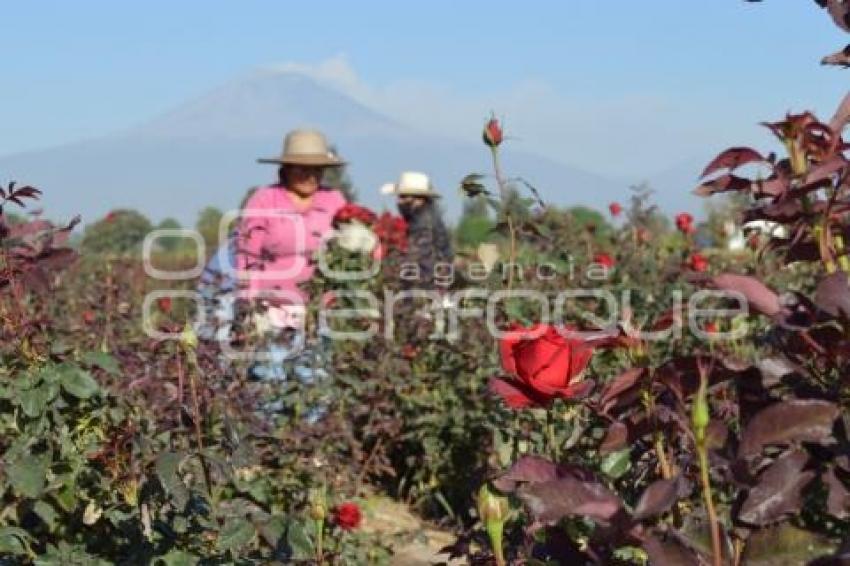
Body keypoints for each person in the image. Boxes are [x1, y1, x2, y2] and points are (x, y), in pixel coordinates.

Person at [233, 129, 348, 388]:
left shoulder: (334, 201)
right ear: (285, 169)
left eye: (316, 170)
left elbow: (352, 246)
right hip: (272, 310)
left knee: (316, 383)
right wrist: (247, 308)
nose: (310, 176)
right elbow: (247, 256)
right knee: (269, 381)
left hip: (319, 309)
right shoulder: (264, 200)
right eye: (301, 169)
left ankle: (312, 429)